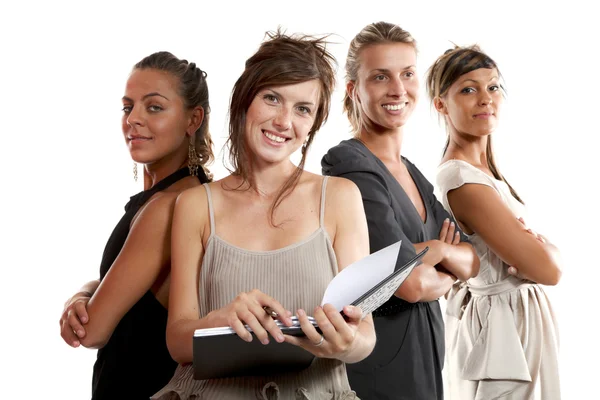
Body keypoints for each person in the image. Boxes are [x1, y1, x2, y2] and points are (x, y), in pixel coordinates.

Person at [152, 30, 376, 400]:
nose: (284, 121)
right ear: (245, 100)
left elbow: (364, 334)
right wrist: (218, 322)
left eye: (303, 109)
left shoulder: (340, 197)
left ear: (313, 124)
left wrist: (345, 344)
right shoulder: (195, 205)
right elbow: (177, 340)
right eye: (272, 98)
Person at [321, 22, 479, 400]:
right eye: (380, 77)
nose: (398, 89)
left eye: (407, 74)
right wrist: (442, 267)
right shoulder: (349, 164)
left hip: (424, 359)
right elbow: (410, 284)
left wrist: (438, 254)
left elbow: (473, 260)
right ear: (353, 90)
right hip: (381, 367)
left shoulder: (413, 172)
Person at [58, 51, 214, 400]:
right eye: (128, 107)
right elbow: (139, 288)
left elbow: (93, 330)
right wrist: (85, 291)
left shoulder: (168, 207)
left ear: (193, 119)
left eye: (154, 107)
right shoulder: (185, 192)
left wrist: (83, 302)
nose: (134, 120)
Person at [428, 44, 562, 399]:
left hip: (518, 321)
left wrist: (541, 252)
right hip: (502, 331)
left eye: (493, 87)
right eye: (468, 89)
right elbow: (549, 270)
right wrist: (546, 250)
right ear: (441, 104)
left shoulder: (485, 174)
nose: (486, 98)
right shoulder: (463, 180)